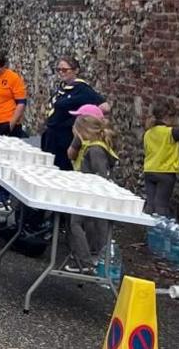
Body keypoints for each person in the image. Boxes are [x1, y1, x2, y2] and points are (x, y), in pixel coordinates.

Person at [65, 110, 118, 274]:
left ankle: (85, 261)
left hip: (91, 195)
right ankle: (94, 260)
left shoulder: (95, 150)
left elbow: (100, 175)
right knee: (93, 226)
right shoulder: (94, 147)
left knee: (76, 224)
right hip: (89, 193)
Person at [42, 57, 108, 170]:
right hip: (51, 136)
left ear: (76, 70)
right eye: (59, 70)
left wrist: (81, 119)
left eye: (65, 70)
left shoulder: (82, 89)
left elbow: (104, 107)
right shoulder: (63, 87)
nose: (61, 73)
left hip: (65, 137)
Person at [143, 103, 179, 218]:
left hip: (149, 170)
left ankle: (147, 228)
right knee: (161, 206)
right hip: (165, 172)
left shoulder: (148, 133)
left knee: (150, 204)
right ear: (168, 117)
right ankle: (160, 231)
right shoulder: (171, 132)